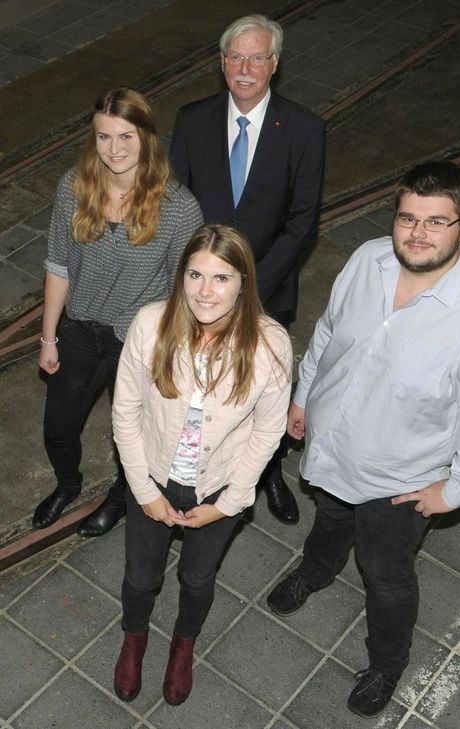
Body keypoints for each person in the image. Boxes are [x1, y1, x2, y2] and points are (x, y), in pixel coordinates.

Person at [265, 161, 460, 717]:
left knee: (386, 576)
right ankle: (315, 572)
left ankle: (386, 662)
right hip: (332, 448)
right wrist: (304, 396)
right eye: (408, 218)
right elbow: (330, 332)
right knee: (328, 519)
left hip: (398, 483)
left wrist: (453, 493)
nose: (418, 234)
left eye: (436, 222)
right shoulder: (366, 260)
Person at [109, 224, 291, 704]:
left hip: (217, 486)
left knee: (197, 577)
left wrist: (230, 503)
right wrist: (145, 492)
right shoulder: (150, 323)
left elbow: (268, 431)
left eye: (222, 278)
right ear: (181, 275)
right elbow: (124, 411)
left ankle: (183, 645)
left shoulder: (270, 345)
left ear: (243, 284)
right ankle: (134, 638)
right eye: (195, 275)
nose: (205, 292)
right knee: (141, 575)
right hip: (151, 475)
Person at [169, 14, 325, 524]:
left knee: (262, 391)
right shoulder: (192, 120)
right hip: (200, 294)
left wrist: (252, 288)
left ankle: (269, 473)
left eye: (256, 57)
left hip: (266, 291)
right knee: (196, 386)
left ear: (274, 65)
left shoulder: (303, 128)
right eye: (235, 57)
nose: (245, 68)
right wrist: (204, 282)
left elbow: (303, 221)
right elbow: (177, 207)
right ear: (221, 63)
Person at [34, 87, 204, 538]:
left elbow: (185, 292)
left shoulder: (178, 207)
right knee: (58, 427)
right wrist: (48, 336)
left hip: (137, 341)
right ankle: (68, 483)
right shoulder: (74, 186)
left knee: (131, 435)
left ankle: (119, 498)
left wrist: (170, 357)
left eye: (126, 136)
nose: (115, 149)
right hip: (79, 330)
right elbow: (57, 263)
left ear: (147, 136)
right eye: (104, 137)